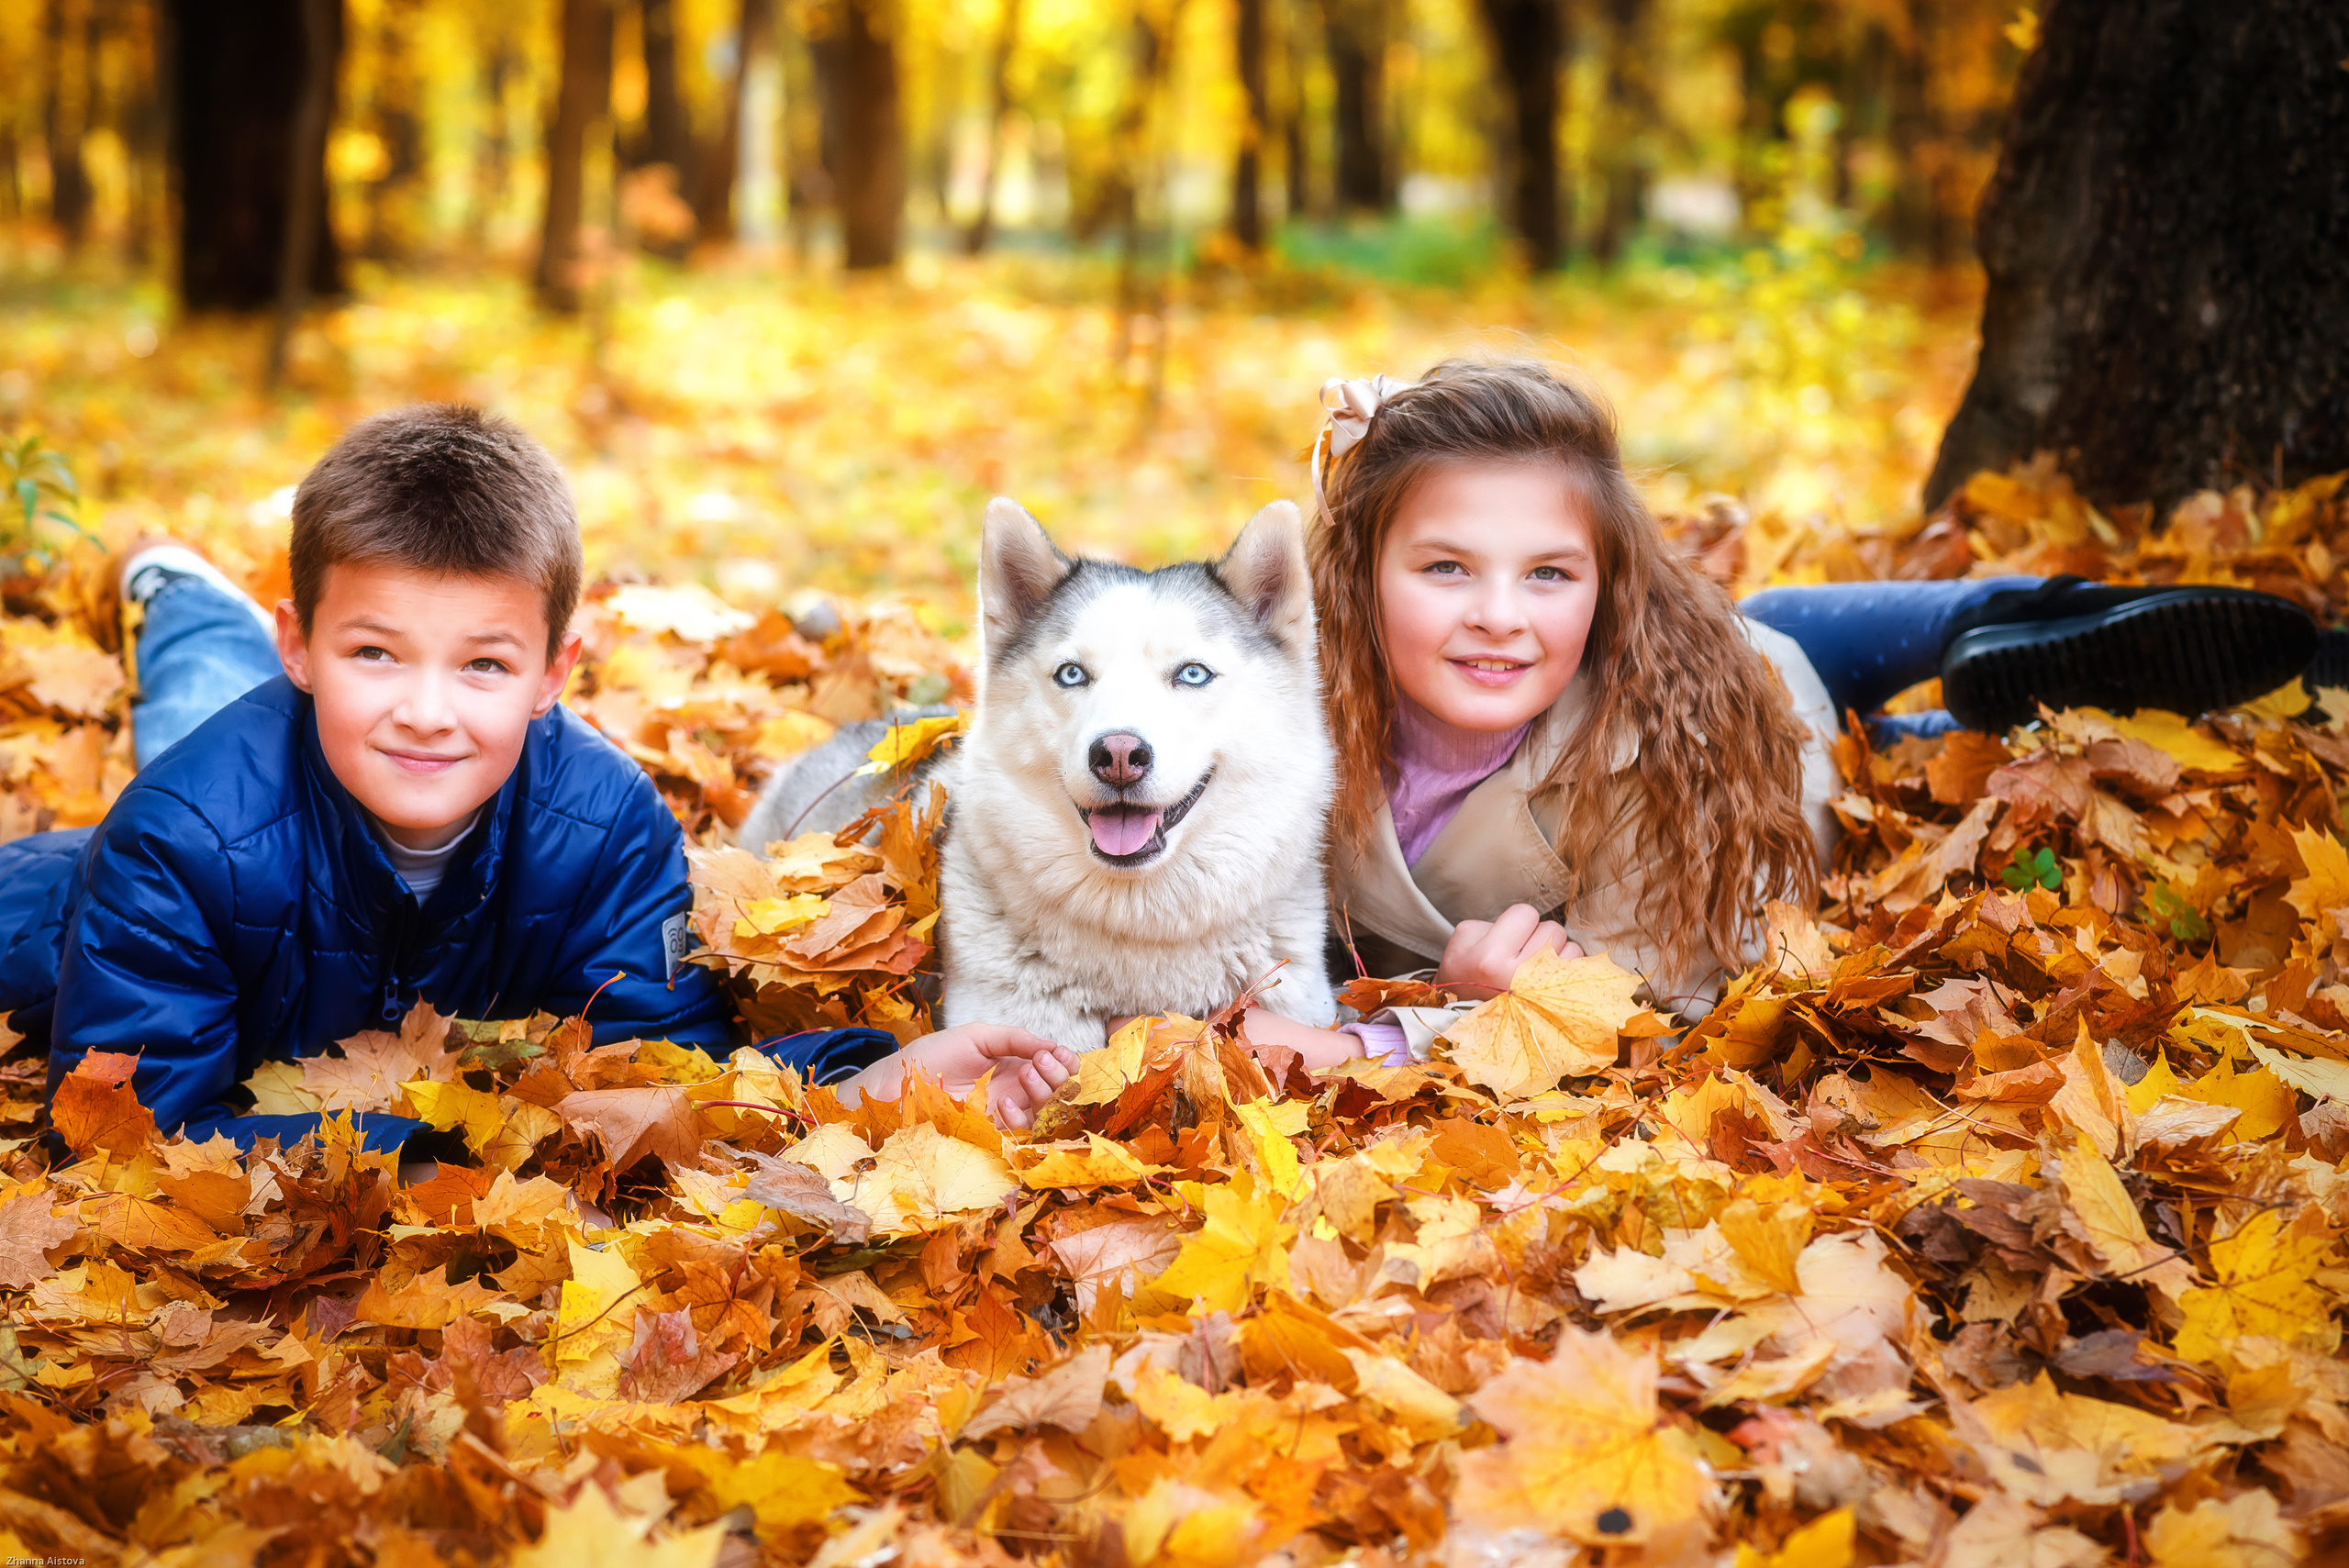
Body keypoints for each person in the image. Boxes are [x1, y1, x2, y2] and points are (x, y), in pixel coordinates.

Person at [0, 405, 1071, 1151]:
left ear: (554, 671)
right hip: (72, 897)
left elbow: (665, 1074)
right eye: (374, 650)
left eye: (483, 663)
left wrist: (859, 1084)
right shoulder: (175, 844)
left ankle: (212, 612)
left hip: (288, 767)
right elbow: (134, 1140)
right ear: (304, 642)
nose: (428, 707)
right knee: (198, 727)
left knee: (281, 731)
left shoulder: (601, 826)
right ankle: (178, 592)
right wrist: (452, 1147)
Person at [1234, 360, 2329, 1066]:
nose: (1496, 618)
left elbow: (1640, 999)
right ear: (1356, 571)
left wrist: (1398, 1028)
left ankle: (2054, 617)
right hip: (1772, 693)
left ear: (1613, 583)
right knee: (1867, 715)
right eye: (1444, 567)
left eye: (1548, 575)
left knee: (1822, 651)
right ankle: (1977, 682)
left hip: (1755, 716)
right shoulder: (1292, 692)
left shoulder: (1662, 748)